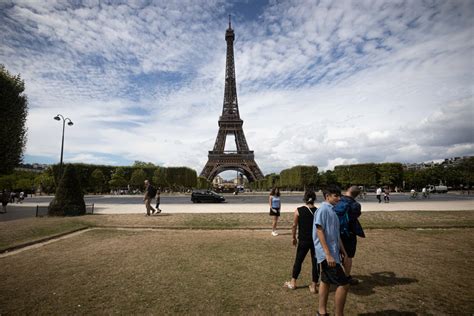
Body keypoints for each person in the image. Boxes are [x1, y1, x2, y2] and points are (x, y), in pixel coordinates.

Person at [313, 185, 349, 316]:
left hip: (331, 253)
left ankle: (321, 312)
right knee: (344, 284)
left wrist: (343, 251)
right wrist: (328, 254)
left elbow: (335, 234)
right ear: (327, 196)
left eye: (339, 195)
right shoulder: (323, 210)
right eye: (336, 196)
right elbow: (319, 230)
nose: (339, 198)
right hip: (327, 254)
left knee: (325, 281)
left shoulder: (331, 211)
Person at [283, 190, 319, 293]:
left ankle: (293, 282)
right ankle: (313, 285)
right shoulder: (318, 211)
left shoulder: (298, 210)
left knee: (299, 260)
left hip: (303, 240)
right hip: (315, 240)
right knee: (315, 262)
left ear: (305, 198)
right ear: (314, 199)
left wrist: (293, 237)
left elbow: (294, 225)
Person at [334, 186, 365, 286]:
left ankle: (334, 275)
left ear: (347, 190)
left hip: (335, 231)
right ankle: (346, 276)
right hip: (349, 232)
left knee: (334, 254)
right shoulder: (356, 205)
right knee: (348, 255)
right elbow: (355, 216)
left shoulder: (338, 200)